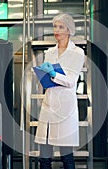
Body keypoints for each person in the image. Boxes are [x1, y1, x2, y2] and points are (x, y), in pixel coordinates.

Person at [34, 13, 85, 169]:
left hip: (65, 106)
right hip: (49, 103)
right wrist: (43, 74)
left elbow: (71, 81)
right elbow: (47, 80)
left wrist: (54, 74)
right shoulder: (49, 52)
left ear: (69, 30)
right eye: (55, 26)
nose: (57, 30)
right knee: (44, 150)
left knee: (66, 152)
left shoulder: (77, 53)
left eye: (61, 27)